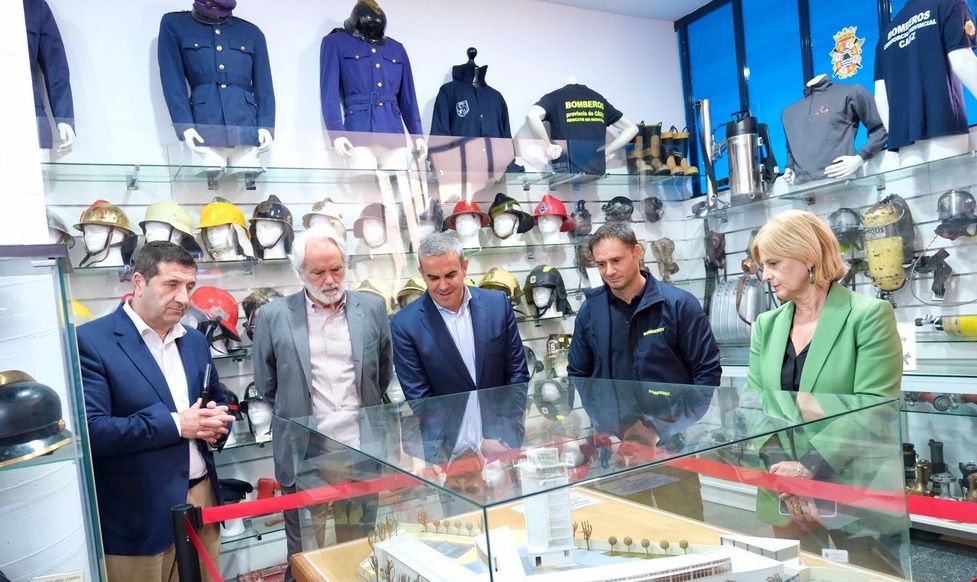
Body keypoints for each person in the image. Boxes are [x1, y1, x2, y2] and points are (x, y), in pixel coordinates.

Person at [747, 209, 905, 576]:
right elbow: (754, 404)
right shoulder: (766, 326)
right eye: (762, 265)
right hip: (784, 493)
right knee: (795, 574)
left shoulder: (868, 316)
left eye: (773, 263)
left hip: (853, 491)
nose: (765, 275)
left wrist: (809, 469)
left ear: (808, 258)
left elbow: (873, 407)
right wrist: (785, 474)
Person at [78, 241, 234, 582]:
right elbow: (93, 431)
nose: (183, 297)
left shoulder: (194, 340)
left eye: (189, 286)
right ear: (138, 282)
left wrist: (218, 424)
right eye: (171, 285)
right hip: (138, 514)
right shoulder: (92, 341)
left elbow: (218, 401)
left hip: (203, 498)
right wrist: (177, 424)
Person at [251, 224, 392, 581]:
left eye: (337, 269)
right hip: (305, 453)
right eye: (318, 272)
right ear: (299, 272)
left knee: (359, 546)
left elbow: (381, 373)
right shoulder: (274, 316)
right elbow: (268, 384)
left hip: (362, 450)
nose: (330, 279)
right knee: (305, 550)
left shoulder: (372, 308)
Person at [567, 221, 721, 520]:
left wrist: (667, 425)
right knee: (629, 532)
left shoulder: (678, 305)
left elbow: (707, 373)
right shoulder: (591, 311)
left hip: (674, 443)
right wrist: (604, 421)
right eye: (600, 264)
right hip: (616, 446)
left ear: (637, 253)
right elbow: (579, 373)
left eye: (616, 260)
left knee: (684, 530)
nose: (609, 271)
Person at [391, 232, 529, 456]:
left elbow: (516, 375)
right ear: (421, 274)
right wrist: (462, 447)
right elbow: (419, 397)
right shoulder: (404, 324)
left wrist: (501, 435)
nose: (443, 285)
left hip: (501, 442)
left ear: (465, 267)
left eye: (450, 274)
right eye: (433, 278)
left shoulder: (498, 306)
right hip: (448, 450)